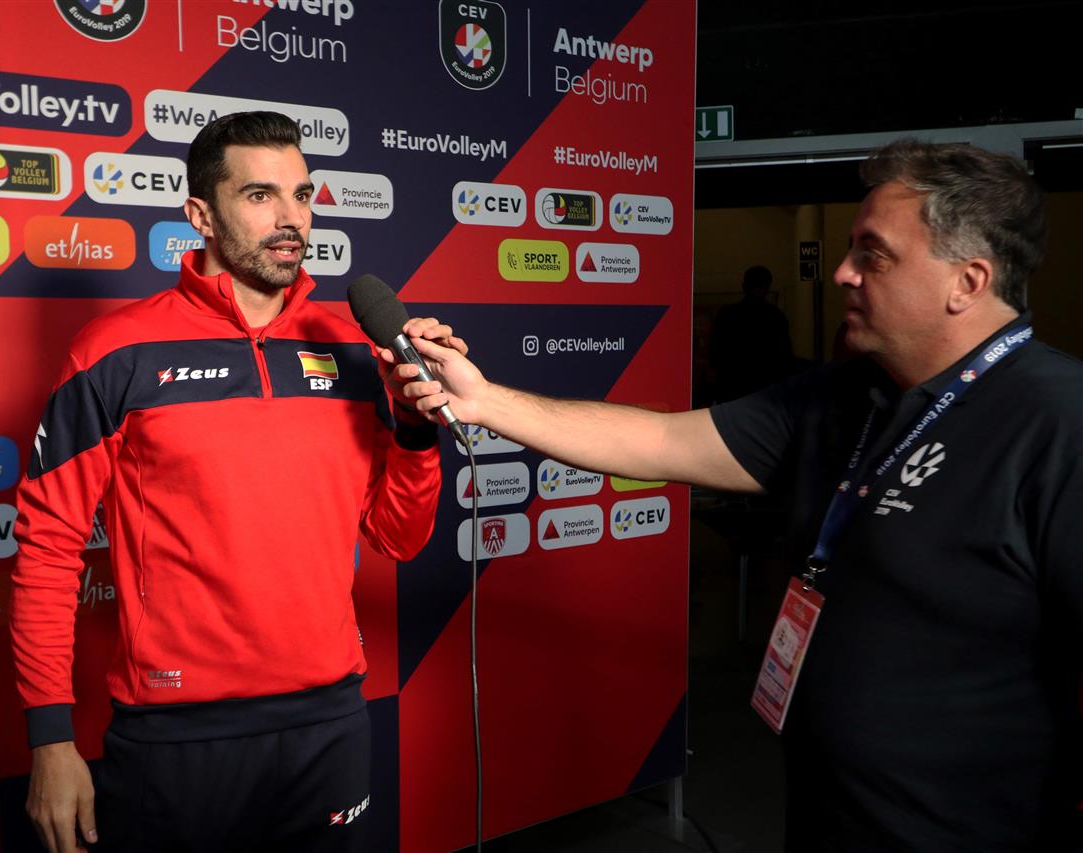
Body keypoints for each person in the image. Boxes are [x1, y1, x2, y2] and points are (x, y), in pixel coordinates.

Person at [395, 139, 1082, 850]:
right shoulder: (842, 395)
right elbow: (661, 442)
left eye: (873, 255)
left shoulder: (1058, 422)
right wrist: (484, 400)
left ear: (967, 281)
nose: (843, 271)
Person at [11, 111, 443, 853]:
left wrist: (414, 429)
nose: (290, 219)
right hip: (176, 735)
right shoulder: (114, 351)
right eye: (260, 196)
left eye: (301, 195)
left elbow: (398, 536)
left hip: (331, 723)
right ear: (200, 215)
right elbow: (48, 548)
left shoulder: (354, 346)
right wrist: (50, 737)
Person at [708, 264, 794, 402]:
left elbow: (716, 351)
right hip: (765, 389)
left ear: (744, 286)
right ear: (767, 286)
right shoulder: (775, 316)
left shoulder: (727, 314)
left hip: (732, 387)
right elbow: (784, 355)